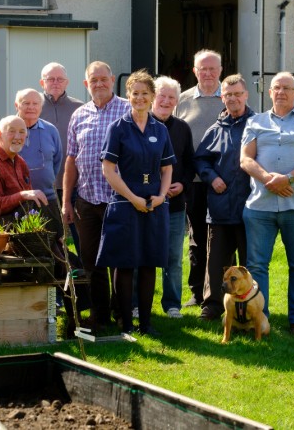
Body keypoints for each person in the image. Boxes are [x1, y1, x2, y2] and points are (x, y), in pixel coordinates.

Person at [240, 72, 294, 335]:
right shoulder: (255, 121)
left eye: (287, 88)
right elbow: (245, 159)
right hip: (260, 206)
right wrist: (269, 179)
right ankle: (259, 318)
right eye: (277, 88)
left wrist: (287, 178)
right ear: (269, 93)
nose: (281, 92)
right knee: (256, 266)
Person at [97, 71, 175, 335]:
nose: (140, 98)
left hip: (154, 205)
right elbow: (109, 170)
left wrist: (162, 196)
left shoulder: (160, 129)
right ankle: (126, 324)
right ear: (128, 96)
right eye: (135, 93)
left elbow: (167, 169)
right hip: (125, 204)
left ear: (152, 96)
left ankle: (146, 323)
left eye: (145, 93)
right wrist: (132, 198)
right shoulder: (117, 128)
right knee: (126, 263)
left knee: (149, 262)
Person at [62, 61, 129, 331]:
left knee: (121, 260)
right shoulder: (78, 115)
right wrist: (67, 200)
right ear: (85, 83)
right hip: (87, 201)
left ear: (113, 80)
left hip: (119, 199)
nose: (99, 84)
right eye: (93, 79)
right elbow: (70, 160)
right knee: (92, 261)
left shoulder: (127, 109)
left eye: (104, 79)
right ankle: (100, 316)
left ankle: (123, 314)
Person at [193, 74, 255, 321]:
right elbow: (201, 159)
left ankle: (249, 306)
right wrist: (211, 177)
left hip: (250, 207)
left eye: (237, 94)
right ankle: (213, 305)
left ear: (246, 95)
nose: (233, 99)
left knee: (249, 263)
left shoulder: (258, 124)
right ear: (222, 97)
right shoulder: (216, 129)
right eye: (228, 95)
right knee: (216, 261)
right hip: (219, 208)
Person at [175, 49, 226, 308]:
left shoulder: (230, 98)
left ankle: (222, 289)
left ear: (220, 70)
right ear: (195, 71)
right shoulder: (181, 101)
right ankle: (197, 291)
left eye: (212, 69)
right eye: (202, 69)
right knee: (197, 239)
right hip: (193, 184)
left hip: (225, 183)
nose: (207, 73)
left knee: (224, 239)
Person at [0, 89, 63, 239]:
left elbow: (57, 161)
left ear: (41, 107)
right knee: (21, 248)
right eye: (26, 103)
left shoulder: (51, 131)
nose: (31, 107)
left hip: (46, 200)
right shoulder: (5, 130)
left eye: (35, 103)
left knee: (53, 245)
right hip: (15, 205)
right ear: (17, 105)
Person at [151, 76, 195, 319]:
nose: (166, 101)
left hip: (175, 205)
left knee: (173, 258)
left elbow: (190, 163)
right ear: (152, 97)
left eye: (171, 97)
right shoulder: (140, 125)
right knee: (142, 255)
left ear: (177, 101)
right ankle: (137, 303)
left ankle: (172, 305)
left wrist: (183, 184)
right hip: (144, 204)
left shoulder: (182, 128)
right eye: (162, 95)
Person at [39, 63, 84, 252]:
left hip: (75, 182)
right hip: (44, 184)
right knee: (46, 234)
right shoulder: (33, 105)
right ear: (42, 83)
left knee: (81, 234)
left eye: (60, 79)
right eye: (50, 79)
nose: (55, 83)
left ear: (67, 82)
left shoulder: (80, 108)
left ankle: (85, 274)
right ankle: (56, 272)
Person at [0, 115, 48, 222]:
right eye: (11, 131)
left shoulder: (20, 162)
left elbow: (29, 199)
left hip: (15, 220)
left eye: (22, 132)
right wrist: (22, 195)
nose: (17, 137)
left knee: (41, 203)